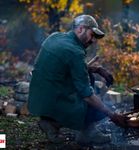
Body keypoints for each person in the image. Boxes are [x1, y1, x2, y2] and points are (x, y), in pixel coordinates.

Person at [28, 14, 126, 145]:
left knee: (87, 78)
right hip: (53, 100)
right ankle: (86, 133)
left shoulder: (55, 37)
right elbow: (87, 95)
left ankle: (50, 122)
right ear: (80, 29)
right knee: (91, 92)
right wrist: (112, 115)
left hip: (37, 99)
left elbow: (67, 67)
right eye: (92, 35)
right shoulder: (75, 51)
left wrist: (97, 69)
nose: (93, 41)